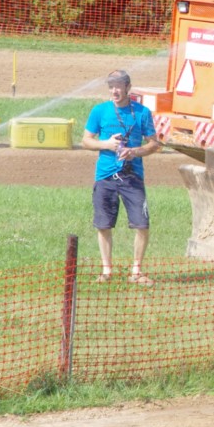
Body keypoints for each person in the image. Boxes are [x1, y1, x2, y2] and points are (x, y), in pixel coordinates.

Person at [82, 70, 161, 286]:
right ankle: (106, 271)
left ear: (128, 88)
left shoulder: (142, 112)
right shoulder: (99, 111)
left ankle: (136, 271)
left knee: (142, 224)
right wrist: (107, 144)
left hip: (132, 175)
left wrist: (134, 151)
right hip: (105, 175)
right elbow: (86, 141)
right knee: (103, 225)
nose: (114, 91)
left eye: (118, 86)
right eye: (111, 87)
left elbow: (154, 143)